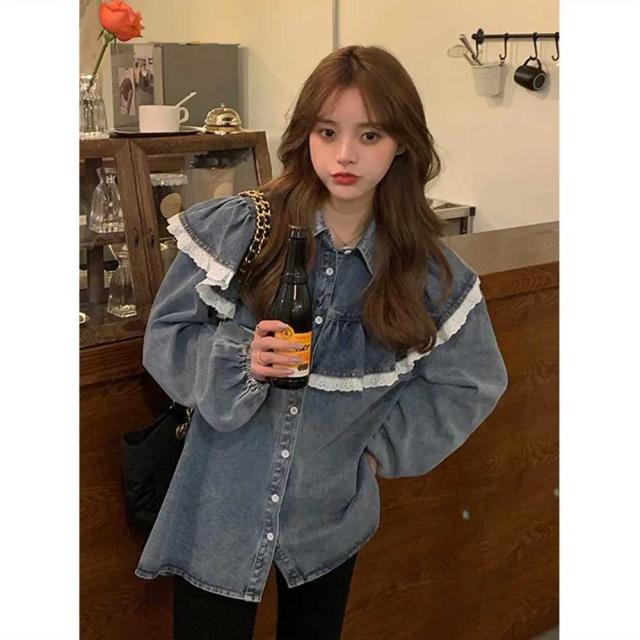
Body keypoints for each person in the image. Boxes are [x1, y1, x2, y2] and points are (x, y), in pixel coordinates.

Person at [135, 45, 509, 639]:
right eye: (327, 132)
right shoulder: (240, 229)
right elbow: (167, 337)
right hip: (220, 505)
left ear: (401, 143)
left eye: (370, 135)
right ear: (305, 134)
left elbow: (472, 379)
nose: (344, 155)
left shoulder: (424, 272)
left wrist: (376, 449)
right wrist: (239, 358)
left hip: (329, 517)